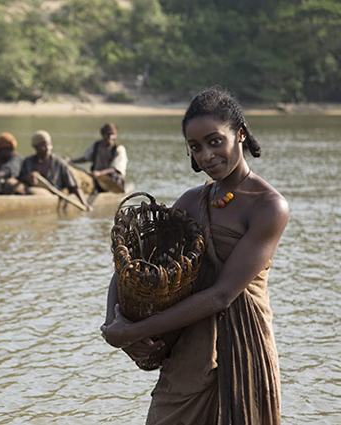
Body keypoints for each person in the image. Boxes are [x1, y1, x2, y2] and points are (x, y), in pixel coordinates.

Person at [101, 86, 289, 424]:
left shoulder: (269, 206)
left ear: (240, 134)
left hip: (244, 344)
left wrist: (131, 333)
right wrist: (115, 319)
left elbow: (221, 296)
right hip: (190, 348)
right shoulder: (191, 201)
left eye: (215, 141)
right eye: (195, 147)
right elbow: (134, 264)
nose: (206, 156)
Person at [18, 130, 93, 211]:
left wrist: (85, 203)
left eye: (49, 145)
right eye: (43, 146)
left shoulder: (59, 163)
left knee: (33, 192)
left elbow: (73, 187)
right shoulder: (28, 162)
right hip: (32, 193)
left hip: (53, 194)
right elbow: (19, 178)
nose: (47, 149)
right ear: (35, 147)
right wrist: (27, 178)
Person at [70, 122, 128, 193]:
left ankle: (108, 193)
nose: (110, 137)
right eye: (108, 134)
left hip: (113, 181)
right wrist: (71, 161)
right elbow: (85, 158)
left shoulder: (119, 149)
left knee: (111, 177)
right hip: (96, 177)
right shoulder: (96, 145)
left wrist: (100, 173)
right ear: (103, 134)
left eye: (112, 135)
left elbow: (116, 169)